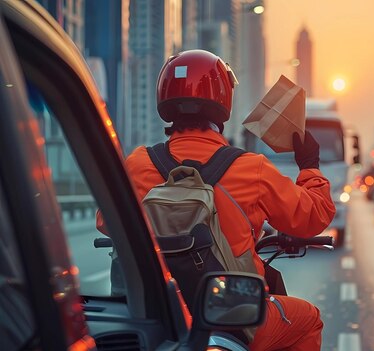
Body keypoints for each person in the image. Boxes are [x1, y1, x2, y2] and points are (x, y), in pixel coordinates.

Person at [98, 50, 335, 350]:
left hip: (157, 312)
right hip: (232, 316)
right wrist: (309, 165)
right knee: (308, 319)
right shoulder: (251, 168)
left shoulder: (138, 163)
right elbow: (313, 216)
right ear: (223, 102)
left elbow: (105, 221)